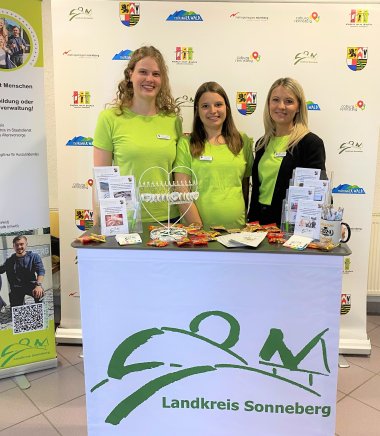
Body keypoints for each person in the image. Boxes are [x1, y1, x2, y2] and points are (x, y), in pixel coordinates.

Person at [93, 46, 182, 223]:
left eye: (156, 74)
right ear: (130, 75)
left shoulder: (173, 121)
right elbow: (101, 180)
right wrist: (98, 221)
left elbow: (178, 177)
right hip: (126, 221)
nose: (150, 79)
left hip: (168, 221)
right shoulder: (109, 118)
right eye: (143, 72)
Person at [247, 77, 326, 226]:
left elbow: (319, 191)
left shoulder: (310, 143)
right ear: (269, 104)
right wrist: (251, 223)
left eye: (289, 101)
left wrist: (328, 222)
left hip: (292, 225)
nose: (281, 106)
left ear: (298, 107)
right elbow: (259, 190)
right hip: (259, 224)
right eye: (275, 100)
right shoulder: (262, 144)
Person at [174, 81, 253, 229]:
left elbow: (244, 187)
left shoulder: (242, 141)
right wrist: (199, 231)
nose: (213, 110)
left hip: (237, 232)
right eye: (205, 106)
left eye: (218, 104)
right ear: (197, 110)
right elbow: (182, 192)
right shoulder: (186, 143)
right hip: (199, 235)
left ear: (227, 108)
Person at [0, 236, 45, 307]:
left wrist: (38, 285)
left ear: (26, 244)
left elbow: (41, 271)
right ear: (13, 246)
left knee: (39, 293)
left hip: (32, 285)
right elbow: (1, 270)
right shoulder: (9, 261)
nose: (19, 247)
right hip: (16, 288)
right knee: (16, 311)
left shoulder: (34, 257)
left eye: (21, 244)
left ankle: (40, 310)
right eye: (16, 245)